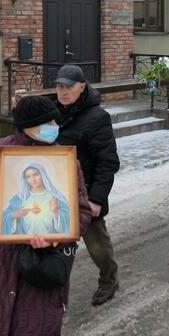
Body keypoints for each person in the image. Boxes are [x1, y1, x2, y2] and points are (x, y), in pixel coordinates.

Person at [0, 96, 92, 336]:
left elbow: (82, 211)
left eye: (56, 120)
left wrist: (60, 236)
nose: (55, 126)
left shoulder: (64, 161)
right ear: (27, 126)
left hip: (42, 275)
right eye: (48, 122)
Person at [54, 65, 122, 306]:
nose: (63, 91)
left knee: (97, 246)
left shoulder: (97, 117)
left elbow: (108, 162)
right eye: (59, 86)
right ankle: (53, 290)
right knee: (56, 248)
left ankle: (109, 279)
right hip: (58, 194)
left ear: (82, 87)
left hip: (86, 195)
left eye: (68, 86)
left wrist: (96, 199)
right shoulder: (57, 113)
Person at [2, 164, 71, 235]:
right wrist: (16, 214)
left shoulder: (55, 197)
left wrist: (56, 212)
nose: (33, 180)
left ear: (43, 175)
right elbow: (2, 218)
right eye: (28, 177)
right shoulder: (19, 198)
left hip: (52, 242)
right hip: (24, 243)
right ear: (25, 179)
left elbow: (70, 219)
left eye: (36, 175)